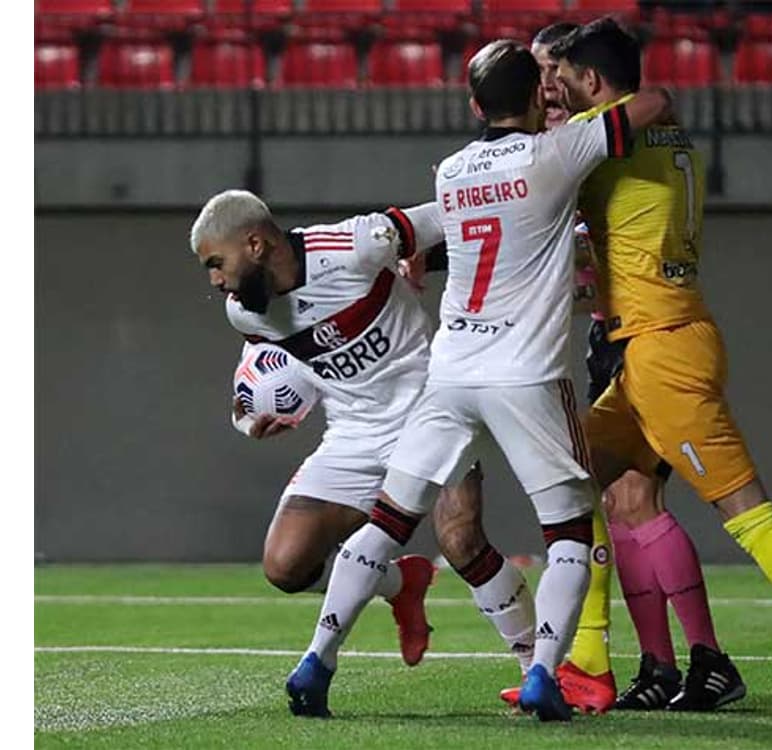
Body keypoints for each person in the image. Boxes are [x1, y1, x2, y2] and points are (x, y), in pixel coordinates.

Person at [285, 40, 672, 722]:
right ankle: (542, 677)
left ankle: (317, 659)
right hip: (527, 375)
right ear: (537, 98)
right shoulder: (557, 152)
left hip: (451, 372)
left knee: (388, 521)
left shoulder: (453, 170)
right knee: (570, 537)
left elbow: (425, 230)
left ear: (471, 105)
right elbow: (654, 104)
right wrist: (572, 111)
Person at [552, 18, 772, 721]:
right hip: (659, 341)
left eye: (564, 85)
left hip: (662, 354)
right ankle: (587, 663)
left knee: (747, 513)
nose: (555, 98)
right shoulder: (666, 136)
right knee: (568, 475)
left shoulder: (598, 139)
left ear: (593, 85)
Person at [190, 190, 541, 718]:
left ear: (255, 244)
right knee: (286, 566)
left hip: (432, 410)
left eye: (217, 263)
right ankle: (403, 582)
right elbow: (265, 375)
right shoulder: (245, 313)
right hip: (353, 434)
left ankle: (537, 667)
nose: (215, 281)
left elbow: (455, 216)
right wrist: (249, 419)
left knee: (463, 540)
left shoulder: (355, 245)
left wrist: (538, 217)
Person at [534, 21, 744, 714]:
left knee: (633, 501)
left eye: (551, 70)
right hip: (615, 335)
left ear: (579, 73)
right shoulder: (575, 140)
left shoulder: (599, 136)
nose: (545, 85)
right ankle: (654, 665)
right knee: (616, 503)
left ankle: (701, 657)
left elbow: (655, 103)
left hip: (645, 336)